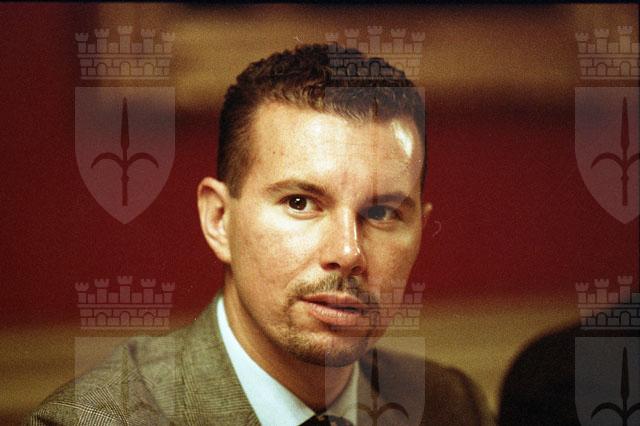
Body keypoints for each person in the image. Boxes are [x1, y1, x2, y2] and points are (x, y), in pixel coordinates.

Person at [29, 44, 494, 425]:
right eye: (300, 202)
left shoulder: (451, 406)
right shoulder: (95, 421)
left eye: (381, 212)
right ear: (219, 219)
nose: (348, 252)